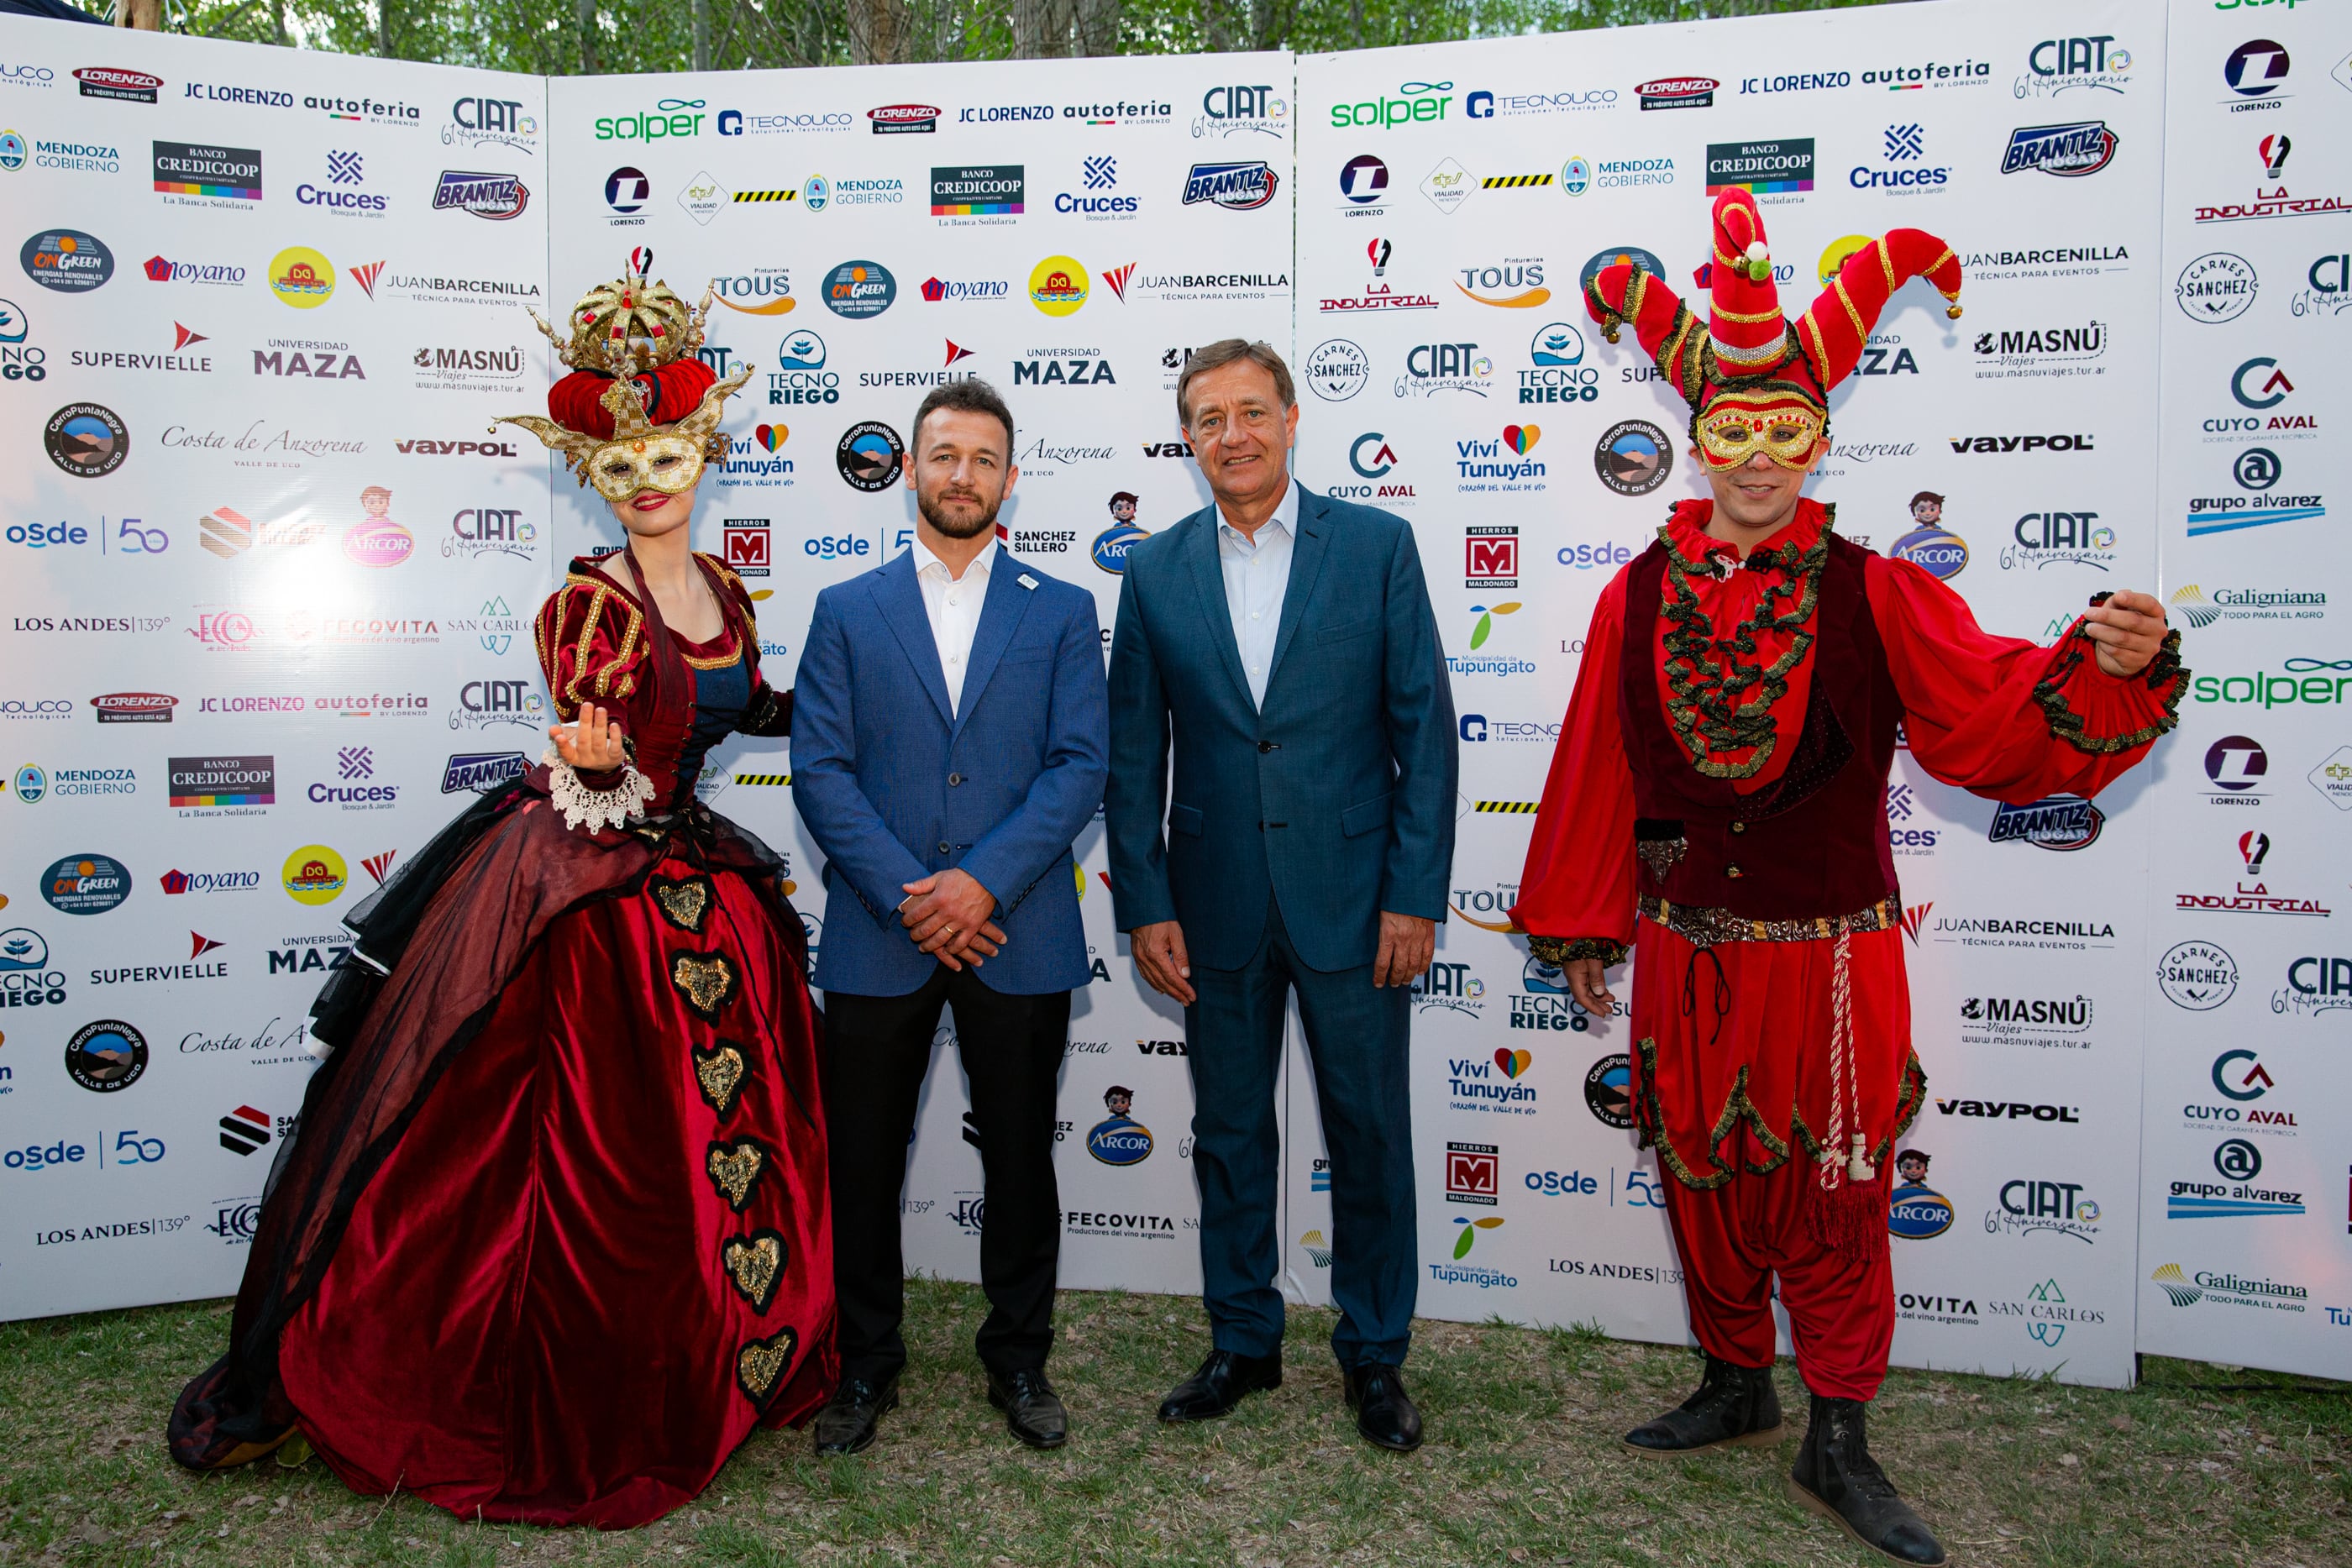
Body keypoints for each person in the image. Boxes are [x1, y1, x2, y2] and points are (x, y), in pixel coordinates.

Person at [1514, 191, 2183, 1567]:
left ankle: (1840, 1434)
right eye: (1731, 430)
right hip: (1685, 945)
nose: (1756, 456)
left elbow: (1991, 716)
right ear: (1695, 440)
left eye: (1783, 431)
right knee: (1702, 1177)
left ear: (1819, 437)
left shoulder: (1878, 589)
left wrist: (2107, 666)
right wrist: (1580, 918)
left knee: (1831, 1189)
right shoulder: (1632, 595)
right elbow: (1593, 763)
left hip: (1830, 961)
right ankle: (1733, 1378)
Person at [167, 273, 835, 1526]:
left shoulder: (731, 595)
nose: (647, 477)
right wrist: (596, 762)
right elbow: (601, 751)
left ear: (705, 453)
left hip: (695, 868)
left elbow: (748, 708)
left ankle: (720, 1346)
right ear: (589, 467)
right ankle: (570, 1373)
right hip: (590, 893)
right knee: (577, 1152)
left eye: (669, 453)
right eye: (622, 459)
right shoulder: (588, 603)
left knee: (704, 1147)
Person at [1105, 338, 1457, 1453]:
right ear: (1190, 437)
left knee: (1367, 1128)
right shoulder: (1154, 569)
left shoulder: (1378, 547)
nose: (1234, 435)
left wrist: (1413, 891)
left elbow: (1425, 737)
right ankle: (1245, 1338)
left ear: (1292, 419)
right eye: (1209, 418)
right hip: (1209, 903)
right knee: (1228, 1130)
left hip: (1356, 900)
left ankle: (1374, 1352)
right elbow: (1131, 758)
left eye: (1252, 411)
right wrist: (1144, 899)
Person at [791, 378, 1109, 1454]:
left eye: (982, 457)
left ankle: (1019, 1359)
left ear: (1009, 478)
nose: (960, 474)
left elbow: (1080, 766)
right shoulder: (846, 608)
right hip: (882, 932)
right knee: (863, 1162)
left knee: (1021, 1156)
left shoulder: (1062, 607)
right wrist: (914, 896)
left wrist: (981, 885)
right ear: (911, 472)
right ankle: (863, 1363)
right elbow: (821, 773)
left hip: (1016, 929)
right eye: (942, 455)